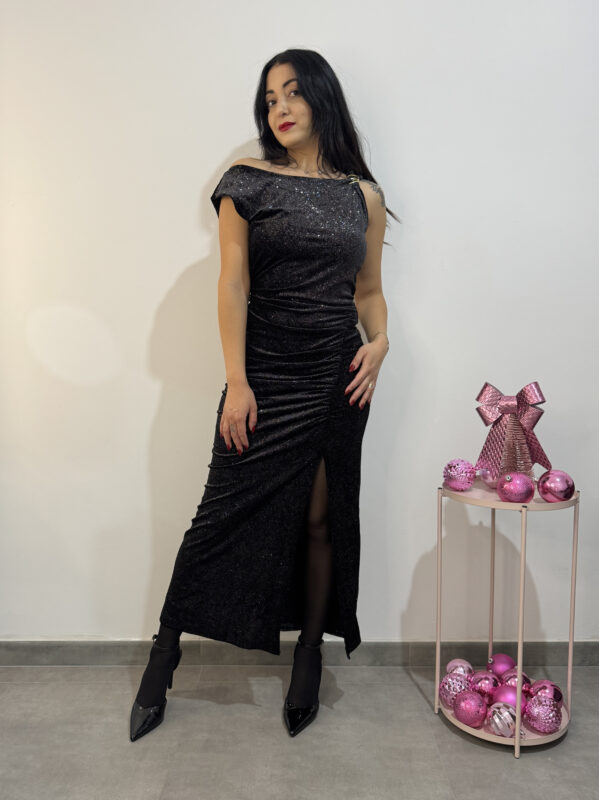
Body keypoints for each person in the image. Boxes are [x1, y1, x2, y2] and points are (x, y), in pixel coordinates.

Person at [130, 47, 399, 742]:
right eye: (270, 97)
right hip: (266, 373)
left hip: (338, 375)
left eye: (293, 92)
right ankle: (163, 659)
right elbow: (232, 283)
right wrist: (239, 381)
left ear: (322, 97)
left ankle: (309, 655)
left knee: (320, 521)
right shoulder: (245, 182)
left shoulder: (363, 197)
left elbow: (369, 291)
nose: (280, 107)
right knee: (217, 517)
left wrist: (381, 340)